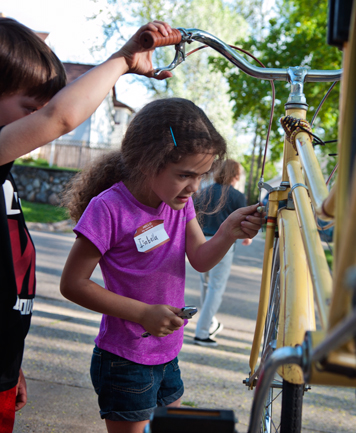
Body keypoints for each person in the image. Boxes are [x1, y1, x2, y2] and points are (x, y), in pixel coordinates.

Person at [0, 16, 173, 432]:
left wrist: (9, 363)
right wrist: (123, 60)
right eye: (28, 109)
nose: (37, 124)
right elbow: (60, 117)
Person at [59, 98, 264, 433]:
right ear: (146, 162)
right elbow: (73, 284)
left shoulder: (178, 204)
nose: (195, 187)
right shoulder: (109, 208)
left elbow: (200, 259)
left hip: (168, 353)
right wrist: (142, 313)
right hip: (126, 359)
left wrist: (228, 231)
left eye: (201, 176)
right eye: (185, 175)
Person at [193, 159, 251, 347]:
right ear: (235, 175)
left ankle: (210, 323)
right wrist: (247, 236)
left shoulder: (203, 192)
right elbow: (244, 223)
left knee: (206, 286)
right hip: (223, 245)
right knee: (215, 289)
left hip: (201, 241)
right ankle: (202, 332)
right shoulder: (237, 196)